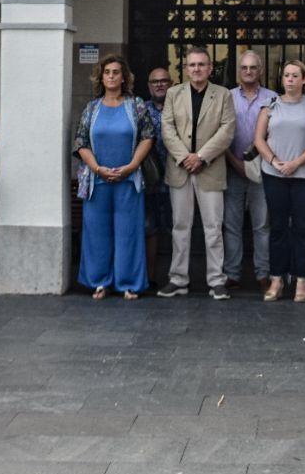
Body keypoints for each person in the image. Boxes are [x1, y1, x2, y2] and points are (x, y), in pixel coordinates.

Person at [74, 55, 156, 299]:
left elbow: (148, 136)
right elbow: (81, 142)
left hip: (129, 180)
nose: (111, 76)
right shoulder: (91, 108)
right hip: (97, 181)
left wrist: (132, 165)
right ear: (101, 77)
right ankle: (100, 282)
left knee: (128, 232)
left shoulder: (137, 105)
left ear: (124, 77)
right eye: (107, 72)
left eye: (116, 72)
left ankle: (128, 283)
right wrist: (98, 168)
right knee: (97, 233)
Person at [157, 47, 236, 300]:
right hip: (180, 170)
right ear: (185, 68)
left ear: (210, 68)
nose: (197, 69)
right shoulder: (173, 94)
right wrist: (184, 157)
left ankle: (216, 280)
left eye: (201, 64)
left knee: (213, 227)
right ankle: (178, 279)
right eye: (192, 65)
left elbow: (227, 130)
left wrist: (201, 156)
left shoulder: (222, 95)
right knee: (180, 227)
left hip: (210, 169)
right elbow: (167, 128)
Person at [255, 59, 305, 303]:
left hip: (304, 176)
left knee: (302, 228)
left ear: (304, 79)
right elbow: (259, 140)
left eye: (295, 75)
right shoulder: (270, 105)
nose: (290, 79)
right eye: (286, 75)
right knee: (277, 228)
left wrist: (296, 163)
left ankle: (302, 280)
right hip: (274, 174)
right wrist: (275, 161)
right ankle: (277, 279)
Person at [224, 50, 274, 294]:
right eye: (244, 68)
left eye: (253, 67)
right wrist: (235, 163)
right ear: (238, 72)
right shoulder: (228, 98)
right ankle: (232, 274)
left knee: (262, 225)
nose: (248, 72)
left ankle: (263, 274)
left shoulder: (273, 98)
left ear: (261, 70)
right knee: (231, 225)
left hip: (263, 170)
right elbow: (221, 134)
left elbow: (275, 135)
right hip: (233, 168)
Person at [142, 66, 173, 277]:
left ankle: (176, 275)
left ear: (171, 84)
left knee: (176, 230)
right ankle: (150, 274)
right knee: (149, 229)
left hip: (176, 179)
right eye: (155, 81)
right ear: (149, 86)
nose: (159, 84)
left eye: (163, 81)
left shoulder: (180, 108)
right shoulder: (140, 110)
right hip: (149, 181)